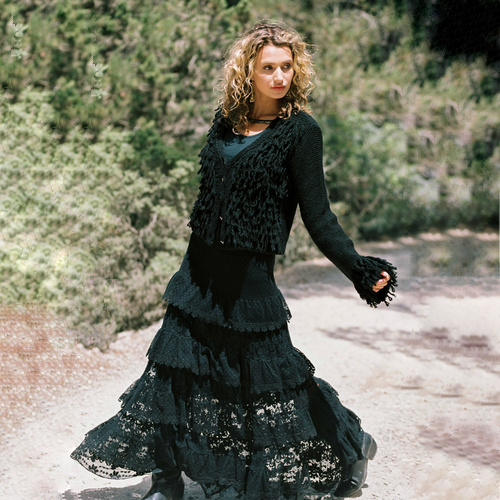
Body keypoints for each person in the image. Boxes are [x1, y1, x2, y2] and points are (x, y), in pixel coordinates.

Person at [71, 20, 397, 500]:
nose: (279, 76)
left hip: (250, 281)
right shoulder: (225, 120)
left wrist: (358, 268)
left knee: (276, 385)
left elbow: (319, 215)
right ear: (248, 70)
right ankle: (167, 480)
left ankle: (351, 444)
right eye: (268, 68)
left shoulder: (301, 132)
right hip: (198, 274)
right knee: (176, 375)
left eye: (286, 67)